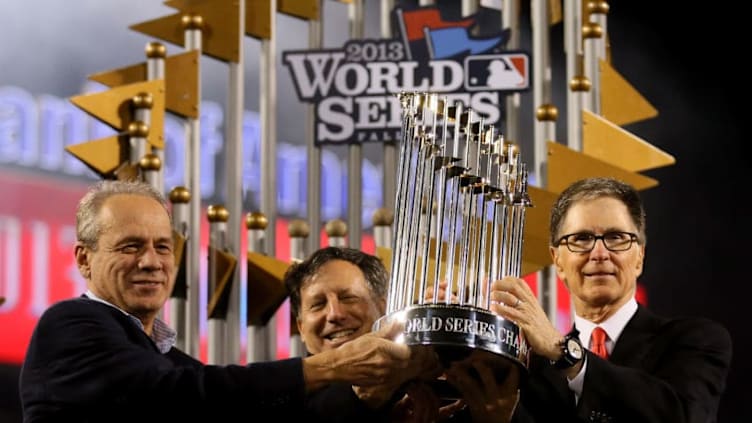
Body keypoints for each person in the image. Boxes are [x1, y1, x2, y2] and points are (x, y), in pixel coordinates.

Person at [18, 180, 418, 422]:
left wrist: (368, 402)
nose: (151, 262)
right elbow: (173, 396)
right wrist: (331, 366)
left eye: (162, 246)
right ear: (84, 259)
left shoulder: (172, 362)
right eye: (130, 246)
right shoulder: (69, 324)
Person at [490, 176, 732, 422]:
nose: (599, 253)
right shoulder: (536, 371)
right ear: (558, 261)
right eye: (582, 238)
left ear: (639, 257)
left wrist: (566, 354)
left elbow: (683, 416)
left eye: (616, 237)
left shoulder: (696, 341)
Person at [285, 246, 520, 422]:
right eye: (317, 304)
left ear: (384, 309)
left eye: (348, 298)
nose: (334, 313)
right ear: (301, 327)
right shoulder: (279, 399)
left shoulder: (434, 389)